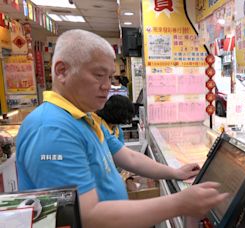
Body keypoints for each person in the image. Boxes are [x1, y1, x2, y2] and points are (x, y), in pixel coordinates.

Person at [16, 29, 228, 228]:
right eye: (99, 75)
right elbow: (88, 216)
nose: (107, 86)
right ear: (62, 71)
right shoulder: (52, 130)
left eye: (110, 77)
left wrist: (173, 172)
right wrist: (179, 203)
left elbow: (128, 157)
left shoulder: (84, 117)